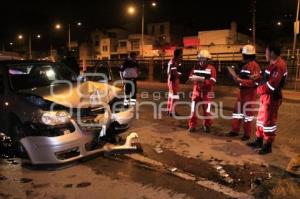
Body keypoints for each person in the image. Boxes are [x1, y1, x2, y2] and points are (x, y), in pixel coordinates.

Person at [247, 42, 288, 154]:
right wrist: (258, 77)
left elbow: (271, 85)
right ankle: (259, 140)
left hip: (272, 98)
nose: (265, 54)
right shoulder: (272, 64)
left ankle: (267, 144)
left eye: (266, 52)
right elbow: (266, 78)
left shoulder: (279, 66)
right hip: (266, 97)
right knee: (261, 119)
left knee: (268, 122)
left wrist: (259, 89)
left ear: (272, 53)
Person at [227, 45, 261, 141]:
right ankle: (235, 130)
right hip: (242, 91)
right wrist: (236, 78)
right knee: (237, 112)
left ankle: (247, 134)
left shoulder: (254, 66)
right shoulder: (245, 65)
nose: (242, 56)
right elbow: (242, 78)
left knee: (247, 114)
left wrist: (240, 80)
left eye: (243, 54)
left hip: (250, 93)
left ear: (246, 55)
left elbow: (254, 82)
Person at [188, 50, 217, 133]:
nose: (201, 61)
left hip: (207, 93)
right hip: (196, 92)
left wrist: (204, 82)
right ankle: (192, 125)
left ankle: (207, 125)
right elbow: (190, 77)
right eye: (200, 59)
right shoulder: (195, 67)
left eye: (203, 60)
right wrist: (193, 79)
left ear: (208, 60)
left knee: (207, 110)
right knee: (193, 110)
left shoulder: (212, 68)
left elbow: (213, 80)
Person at [167, 48, 183, 117]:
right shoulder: (174, 61)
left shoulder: (172, 60)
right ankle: (172, 111)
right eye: (181, 53)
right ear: (179, 54)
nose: (182, 55)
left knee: (171, 95)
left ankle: (169, 109)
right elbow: (174, 72)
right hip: (173, 80)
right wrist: (179, 74)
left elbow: (170, 71)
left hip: (170, 79)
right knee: (175, 96)